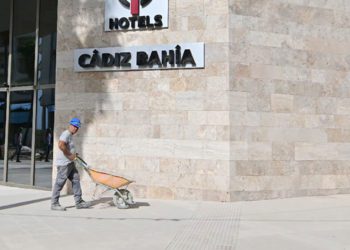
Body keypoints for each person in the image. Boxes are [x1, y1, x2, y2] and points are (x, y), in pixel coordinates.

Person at [51, 118, 90, 211]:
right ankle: (54, 203)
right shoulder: (66, 134)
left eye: (77, 127)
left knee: (76, 179)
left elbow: (67, 147)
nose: (76, 129)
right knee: (59, 183)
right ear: (70, 125)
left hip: (70, 163)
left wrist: (73, 155)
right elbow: (61, 145)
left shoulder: (70, 135)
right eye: (75, 126)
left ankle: (79, 202)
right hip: (64, 164)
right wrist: (69, 155)